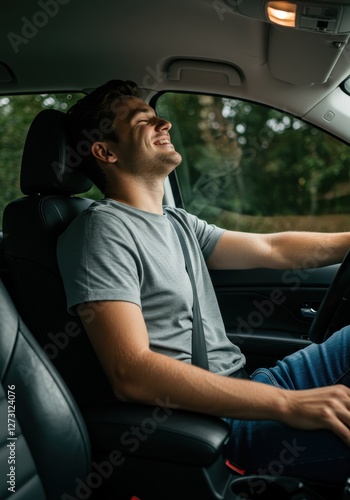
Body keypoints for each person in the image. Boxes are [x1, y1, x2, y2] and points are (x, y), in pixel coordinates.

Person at [57, 80, 350, 487]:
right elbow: (131, 371)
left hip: (251, 386)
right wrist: (287, 404)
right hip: (214, 422)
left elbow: (273, 250)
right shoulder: (101, 232)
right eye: (145, 120)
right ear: (105, 152)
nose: (165, 122)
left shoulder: (176, 222)